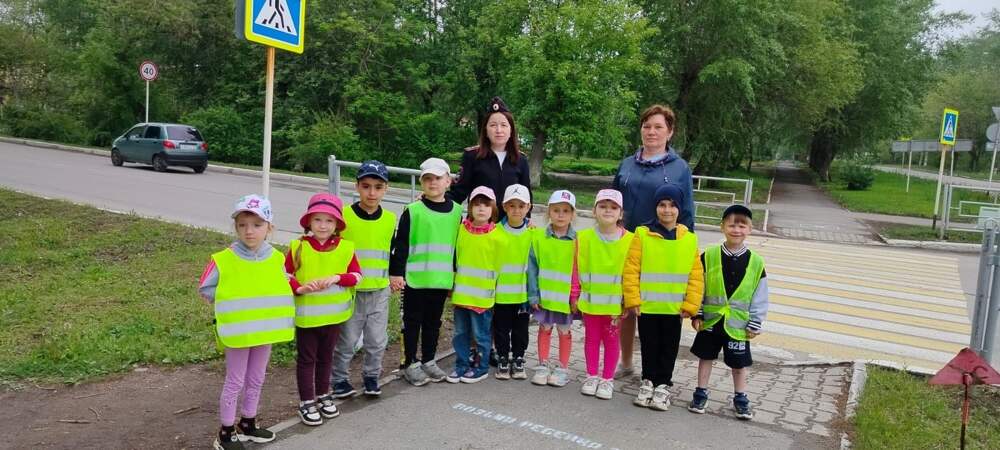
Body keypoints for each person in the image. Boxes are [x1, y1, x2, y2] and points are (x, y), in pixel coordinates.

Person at [198, 195, 295, 450]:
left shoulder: (276, 258)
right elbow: (206, 288)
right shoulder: (224, 258)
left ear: (269, 227)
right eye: (242, 225)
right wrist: (230, 301)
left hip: (264, 331)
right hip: (238, 333)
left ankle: (248, 422)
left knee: (257, 377)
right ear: (236, 227)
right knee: (235, 380)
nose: (249, 231)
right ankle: (226, 431)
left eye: (257, 225)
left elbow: (280, 284)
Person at [613, 104, 695, 380]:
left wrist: (686, 249)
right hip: (626, 244)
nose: (651, 132)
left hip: (661, 248)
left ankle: (656, 372)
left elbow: (687, 212)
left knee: (655, 312)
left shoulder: (679, 168)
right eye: (647, 126)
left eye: (658, 127)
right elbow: (612, 202)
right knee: (627, 305)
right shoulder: (627, 164)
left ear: (670, 132)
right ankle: (626, 362)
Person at [623, 184, 703, 411]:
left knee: (669, 348)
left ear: (680, 209)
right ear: (655, 207)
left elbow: (696, 276)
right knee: (649, 345)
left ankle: (663, 385)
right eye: (662, 205)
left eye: (672, 205)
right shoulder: (642, 234)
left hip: (674, 309)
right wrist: (633, 299)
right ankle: (648, 381)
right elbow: (631, 269)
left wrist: (691, 305)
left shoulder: (689, 239)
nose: (667, 210)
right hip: (647, 307)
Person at [688, 205, 769, 420]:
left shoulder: (756, 262)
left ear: (749, 229)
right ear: (722, 227)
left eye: (742, 226)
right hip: (711, 321)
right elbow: (699, 287)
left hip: (738, 325)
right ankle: (700, 393)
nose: (736, 230)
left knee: (739, 364)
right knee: (705, 357)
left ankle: (740, 398)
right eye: (732, 225)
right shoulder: (709, 255)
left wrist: (755, 322)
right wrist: (697, 314)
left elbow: (760, 296)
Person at [286, 193, 361, 426]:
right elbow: (285, 276)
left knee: (326, 357)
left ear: (337, 224)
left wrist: (338, 277)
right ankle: (307, 401)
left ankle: (323, 394)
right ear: (308, 221)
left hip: (334, 317)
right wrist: (299, 288)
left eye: (329, 221)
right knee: (307, 359)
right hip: (307, 317)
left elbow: (357, 276)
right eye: (317, 219)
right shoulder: (298, 247)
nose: (323, 225)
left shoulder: (346, 248)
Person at [389, 157, 462, 386]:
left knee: (433, 323)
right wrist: (396, 273)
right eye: (427, 178)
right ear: (422, 183)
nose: (433, 182)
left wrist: (455, 276)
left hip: (441, 280)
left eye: (438, 178)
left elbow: (457, 248)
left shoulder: (457, 212)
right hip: (415, 280)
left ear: (448, 181)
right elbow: (400, 244)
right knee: (412, 323)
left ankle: (429, 360)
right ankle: (410, 363)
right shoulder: (413, 210)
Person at [331, 160, 396, 398]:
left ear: (386, 189)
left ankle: (371, 376)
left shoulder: (390, 219)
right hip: (351, 291)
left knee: (377, 340)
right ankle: (339, 379)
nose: (372, 193)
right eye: (366, 186)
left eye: (378, 187)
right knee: (347, 340)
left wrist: (395, 277)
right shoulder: (343, 216)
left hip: (379, 290)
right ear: (356, 186)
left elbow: (392, 252)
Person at [577, 189, 634, 400]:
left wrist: (629, 300)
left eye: (613, 207)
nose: (608, 211)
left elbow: (633, 273)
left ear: (621, 213)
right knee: (591, 339)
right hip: (590, 302)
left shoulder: (631, 240)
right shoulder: (583, 237)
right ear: (594, 211)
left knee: (611, 340)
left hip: (615, 305)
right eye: (602, 206)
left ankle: (607, 379)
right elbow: (577, 268)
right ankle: (591, 375)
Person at [446, 186, 504, 383]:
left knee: (481, 335)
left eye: (486, 205)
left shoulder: (498, 235)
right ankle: (461, 365)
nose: (481, 208)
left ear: (493, 209)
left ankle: (481, 367)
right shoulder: (461, 229)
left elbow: (500, 266)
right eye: (476, 204)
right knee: (460, 333)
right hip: (461, 295)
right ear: (470, 207)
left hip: (482, 298)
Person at [528, 190, 580, 388]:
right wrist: (533, 294)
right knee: (545, 328)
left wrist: (576, 297)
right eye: (556, 210)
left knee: (564, 331)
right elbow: (532, 268)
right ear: (548, 212)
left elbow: (579, 270)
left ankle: (562, 368)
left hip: (566, 300)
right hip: (545, 297)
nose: (560, 215)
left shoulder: (578, 241)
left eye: (566, 211)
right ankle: (543, 365)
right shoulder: (539, 238)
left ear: (572, 214)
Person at [449, 96, 532, 219]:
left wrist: (527, 220)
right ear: (486, 130)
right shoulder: (472, 156)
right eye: (493, 125)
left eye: (504, 125)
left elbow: (526, 196)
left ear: (511, 130)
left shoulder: (521, 160)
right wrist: (433, 200)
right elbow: (458, 192)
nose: (499, 130)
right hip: (479, 224)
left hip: (508, 226)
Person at [492, 184, 534, 380]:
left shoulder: (533, 233)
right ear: (504, 207)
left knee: (520, 330)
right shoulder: (495, 231)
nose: (516, 210)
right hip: (501, 294)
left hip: (522, 295)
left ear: (528, 207)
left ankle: (518, 358)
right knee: (501, 329)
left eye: (521, 206)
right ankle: (502, 357)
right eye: (512, 205)